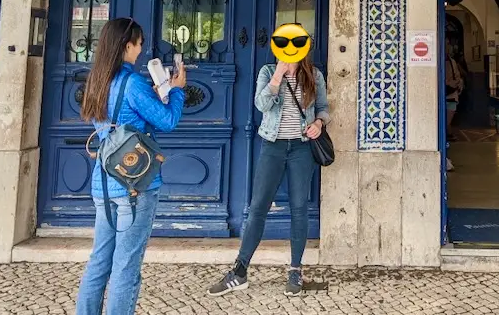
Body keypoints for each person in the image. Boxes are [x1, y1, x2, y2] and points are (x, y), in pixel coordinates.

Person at [75, 18, 187, 315]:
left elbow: (126, 120)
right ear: (127, 45)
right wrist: (176, 90)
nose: (140, 50)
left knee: (99, 262)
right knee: (126, 267)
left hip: (104, 183)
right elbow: (167, 121)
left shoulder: (97, 80)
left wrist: (152, 95)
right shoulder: (133, 83)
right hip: (134, 188)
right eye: (138, 44)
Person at [207, 53, 329, 298]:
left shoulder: (314, 75)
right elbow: (261, 105)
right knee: (258, 207)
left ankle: (295, 269)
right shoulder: (267, 71)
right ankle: (240, 271)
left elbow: (324, 109)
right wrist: (277, 77)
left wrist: (318, 123)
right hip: (272, 146)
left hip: (301, 148)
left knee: (299, 208)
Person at [445, 40, 464, 171]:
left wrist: (458, 83)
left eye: (448, 44)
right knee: (444, 126)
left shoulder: (452, 62)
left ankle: (445, 158)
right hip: (442, 96)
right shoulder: (439, 61)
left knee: (446, 124)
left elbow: (457, 75)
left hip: (451, 96)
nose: (447, 47)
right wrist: (448, 82)